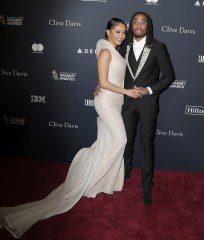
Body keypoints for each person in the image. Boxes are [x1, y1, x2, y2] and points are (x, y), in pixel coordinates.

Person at [0, 18, 139, 238]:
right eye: (117, 31)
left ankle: (102, 181)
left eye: (123, 32)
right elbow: (103, 82)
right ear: (108, 31)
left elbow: (107, 79)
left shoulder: (114, 50)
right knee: (120, 140)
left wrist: (116, 89)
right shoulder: (105, 51)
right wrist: (127, 92)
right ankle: (90, 178)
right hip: (106, 103)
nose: (121, 35)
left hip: (114, 101)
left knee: (106, 141)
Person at [120, 12, 175, 205]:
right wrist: (101, 84)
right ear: (131, 25)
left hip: (147, 105)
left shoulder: (158, 47)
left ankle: (146, 187)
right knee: (124, 142)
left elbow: (169, 76)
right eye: (135, 21)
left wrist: (149, 89)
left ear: (148, 25)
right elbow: (116, 71)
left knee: (146, 147)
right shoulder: (123, 46)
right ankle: (123, 175)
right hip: (126, 103)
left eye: (143, 22)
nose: (138, 25)